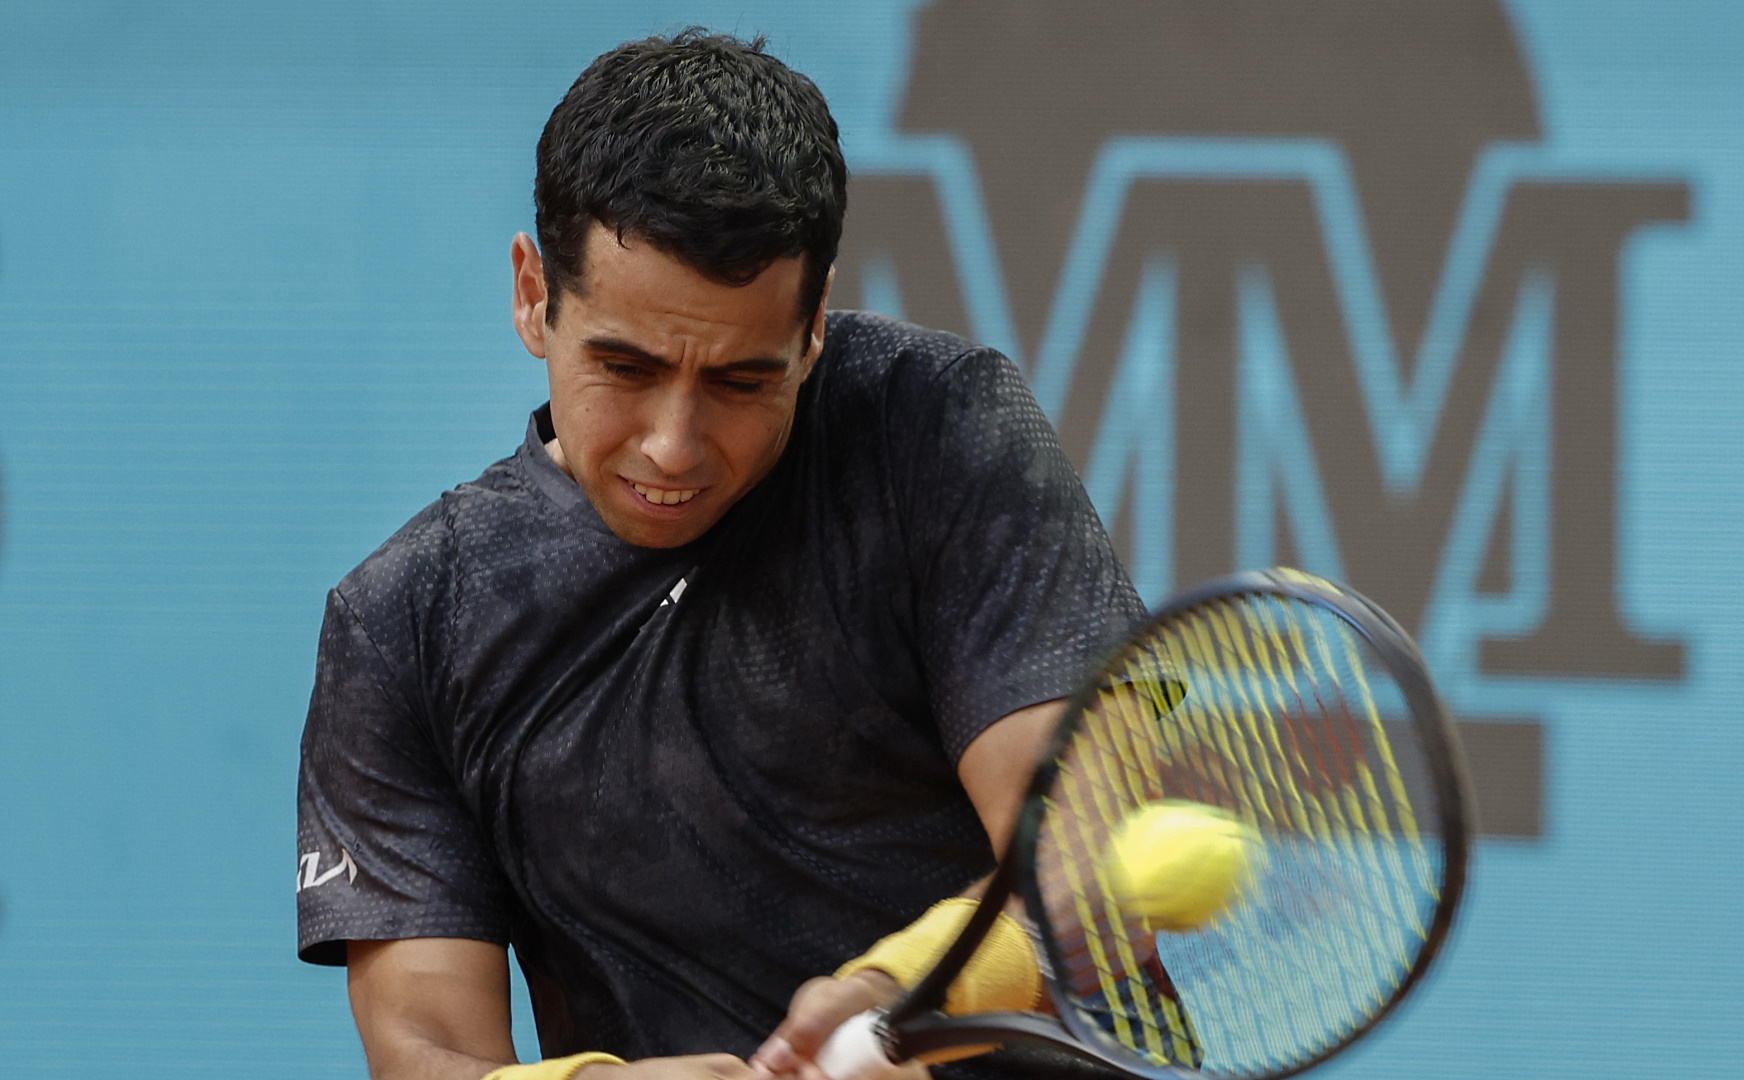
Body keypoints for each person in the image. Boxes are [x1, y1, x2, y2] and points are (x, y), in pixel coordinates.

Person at [295, 30, 1143, 1080]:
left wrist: (901, 990)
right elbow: (424, 1051)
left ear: (813, 327)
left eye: (742, 381)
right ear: (533, 295)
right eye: (625, 368)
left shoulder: (936, 428)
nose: (674, 446)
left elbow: (1095, 854)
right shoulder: (406, 622)